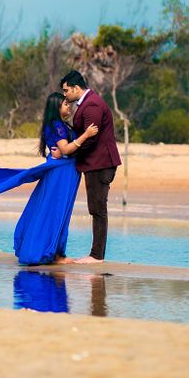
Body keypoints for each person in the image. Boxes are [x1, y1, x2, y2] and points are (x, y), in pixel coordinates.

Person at [13, 93, 98, 265]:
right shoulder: (57, 125)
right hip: (62, 174)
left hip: (65, 172)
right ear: (56, 107)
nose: (69, 106)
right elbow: (65, 149)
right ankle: (53, 254)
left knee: (54, 210)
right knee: (56, 211)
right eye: (65, 104)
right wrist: (86, 134)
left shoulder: (60, 125)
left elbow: (64, 149)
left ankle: (52, 252)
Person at [59, 70, 122, 263]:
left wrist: (69, 151)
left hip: (100, 163)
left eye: (66, 90)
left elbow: (90, 139)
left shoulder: (92, 104)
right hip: (96, 163)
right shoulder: (87, 102)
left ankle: (97, 255)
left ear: (76, 88)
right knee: (96, 208)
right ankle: (96, 254)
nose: (65, 95)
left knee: (98, 209)